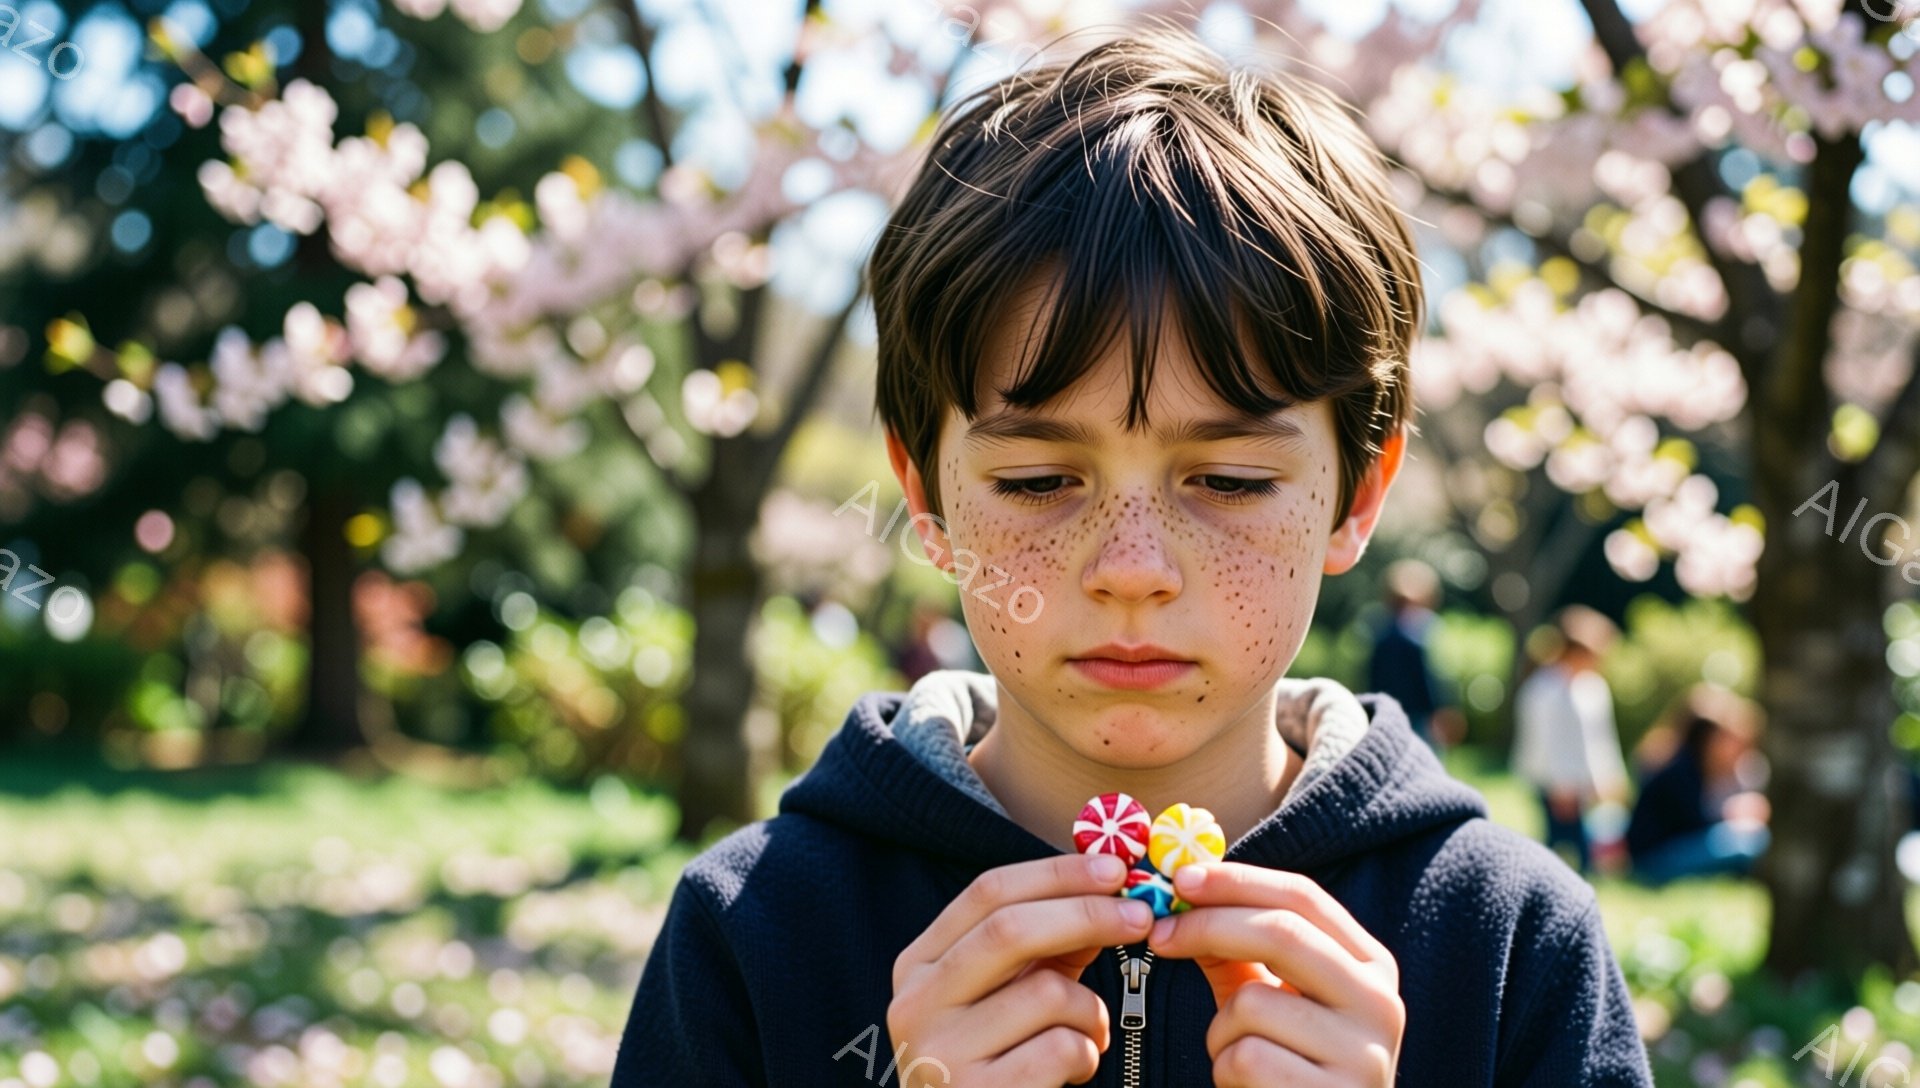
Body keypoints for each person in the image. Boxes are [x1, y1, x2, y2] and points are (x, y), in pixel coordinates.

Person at [615, 28, 1651, 1087]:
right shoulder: (751, 933)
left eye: (1232, 482)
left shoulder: (1512, 945)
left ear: (1360, 493)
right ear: (925, 492)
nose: (1133, 567)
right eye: (1037, 482)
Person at [1510, 605, 1630, 876]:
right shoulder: (1543, 689)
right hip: (1553, 781)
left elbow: (1601, 738)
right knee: (1560, 840)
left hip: (1583, 781)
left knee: (1586, 841)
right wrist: (1560, 785)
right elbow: (1543, 742)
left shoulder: (1593, 688)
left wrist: (1610, 775)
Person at [1626, 685, 1771, 885]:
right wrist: (1731, 816)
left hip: (1662, 855)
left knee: (1752, 839)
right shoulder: (1679, 772)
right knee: (1746, 843)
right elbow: (1690, 826)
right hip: (1652, 862)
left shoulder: (1696, 769)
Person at [1366, 559, 1459, 753]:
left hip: (1386, 713)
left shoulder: (1378, 630)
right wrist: (1440, 709)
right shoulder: (1421, 631)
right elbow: (1429, 678)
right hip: (1417, 717)